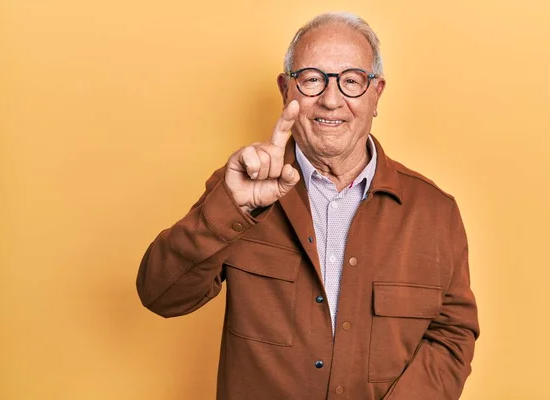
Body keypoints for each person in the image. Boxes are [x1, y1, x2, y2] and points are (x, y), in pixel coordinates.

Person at [136, 12, 479, 400]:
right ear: (287, 90)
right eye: (313, 79)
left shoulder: (435, 212)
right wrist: (230, 210)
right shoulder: (240, 190)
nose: (331, 101)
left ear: (376, 94)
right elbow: (161, 295)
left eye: (351, 81)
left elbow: (452, 335)